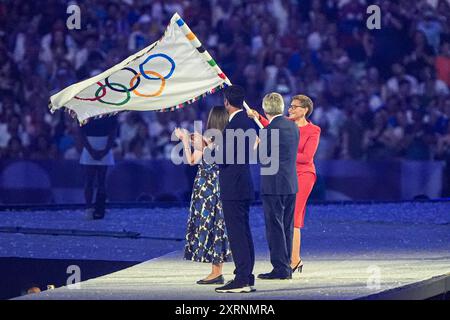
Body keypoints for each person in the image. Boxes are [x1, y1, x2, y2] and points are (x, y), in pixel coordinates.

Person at [248, 94, 321, 273]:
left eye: (295, 107)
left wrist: (283, 153)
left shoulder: (313, 130)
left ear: (305, 110)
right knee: (287, 217)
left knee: (293, 216)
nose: (291, 109)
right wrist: (258, 117)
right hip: (286, 174)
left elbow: (306, 157)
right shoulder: (287, 123)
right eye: (290, 106)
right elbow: (272, 126)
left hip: (303, 174)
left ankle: (293, 260)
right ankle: (292, 259)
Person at [174, 106, 232, 285]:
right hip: (218, 187)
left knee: (211, 226)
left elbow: (191, 161)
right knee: (217, 227)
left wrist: (184, 140)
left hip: (207, 189)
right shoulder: (229, 139)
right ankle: (216, 270)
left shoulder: (209, 139)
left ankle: (216, 272)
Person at [215, 85, 257, 293]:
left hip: (234, 185)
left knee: (237, 234)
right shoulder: (248, 122)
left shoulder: (234, 126)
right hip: (244, 184)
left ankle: (242, 278)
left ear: (226, 102)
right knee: (244, 232)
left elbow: (224, 157)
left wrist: (210, 149)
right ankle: (247, 276)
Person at [256, 92, 299, 280]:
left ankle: (280, 268)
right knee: (287, 227)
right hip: (290, 183)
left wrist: (258, 144)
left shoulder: (266, 131)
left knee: (274, 228)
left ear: (265, 109)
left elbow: (263, 159)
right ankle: (286, 265)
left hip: (273, 185)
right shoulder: (293, 126)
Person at [79, 115, 118, 220]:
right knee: (89, 180)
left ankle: (100, 208)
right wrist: (90, 150)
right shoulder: (86, 112)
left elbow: (113, 133)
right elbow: (81, 132)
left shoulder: (110, 114)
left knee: (102, 180)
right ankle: (88, 209)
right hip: (89, 145)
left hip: (104, 144)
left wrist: (105, 150)